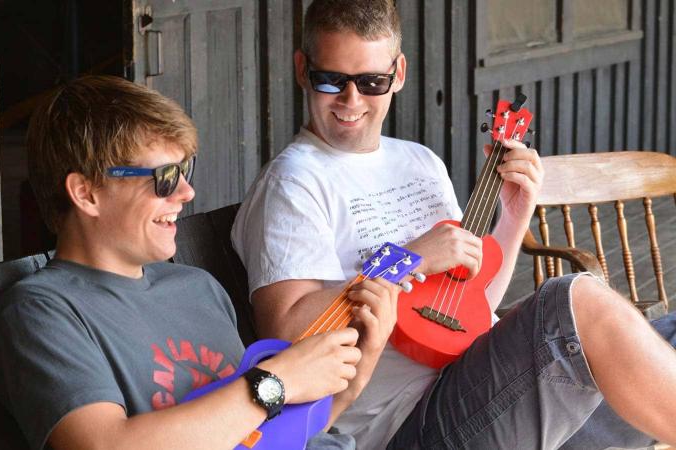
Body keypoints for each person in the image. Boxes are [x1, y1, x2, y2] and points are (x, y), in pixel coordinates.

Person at [231, 1, 676, 448]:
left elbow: (469, 307)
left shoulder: (420, 163)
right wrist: (409, 258)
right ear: (302, 70)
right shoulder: (292, 183)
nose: (351, 100)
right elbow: (285, 334)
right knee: (574, 301)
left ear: (398, 74)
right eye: (331, 80)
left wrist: (516, 212)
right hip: (405, 425)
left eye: (371, 82)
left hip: (484, 393)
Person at [0, 75, 401, 450]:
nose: (186, 192)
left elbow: (263, 438)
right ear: (87, 193)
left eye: (186, 169)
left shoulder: (196, 287)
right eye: (165, 177)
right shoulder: (43, 310)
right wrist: (278, 381)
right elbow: (103, 445)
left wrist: (356, 373)